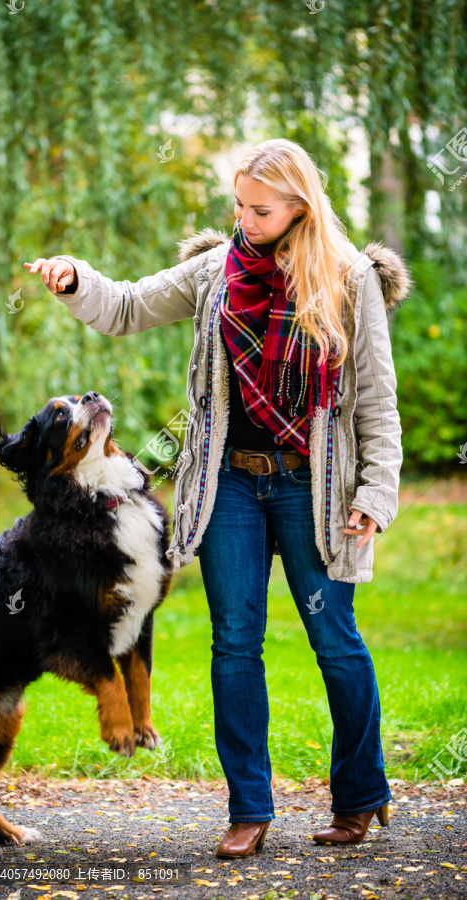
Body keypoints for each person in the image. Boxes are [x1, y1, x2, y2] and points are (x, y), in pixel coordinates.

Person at [25, 138, 411, 857]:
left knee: (334, 640)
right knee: (234, 642)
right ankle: (248, 809)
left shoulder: (349, 277)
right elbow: (131, 306)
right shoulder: (214, 269)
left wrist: (374, 494)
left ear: (301, 207)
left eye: (259, 208)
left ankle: (360, 795)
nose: (244, 217)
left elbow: (377, 404)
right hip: (229, 481)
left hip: (314, 487)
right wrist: (77, 278)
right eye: (237, 203)